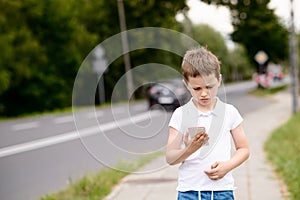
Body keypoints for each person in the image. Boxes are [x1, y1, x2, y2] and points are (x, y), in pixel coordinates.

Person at [166, 46, 250, 200]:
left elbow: (243, 149)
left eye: (209, 87)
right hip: (189, 192)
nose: (204, 93)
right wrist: (190, 149)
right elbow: (170, 158)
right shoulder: (181, 114)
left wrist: (227, 166)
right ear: (186, 84)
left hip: (222, 190)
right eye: (197, 88)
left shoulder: (229, 112)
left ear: (219, 80)